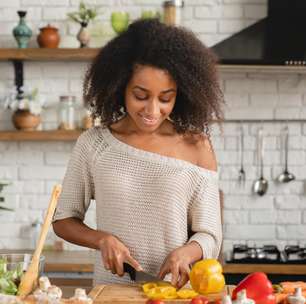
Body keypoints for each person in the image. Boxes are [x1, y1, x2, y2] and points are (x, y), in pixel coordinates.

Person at [52, 18, 224, 289]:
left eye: (165, 98)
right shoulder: (94, 144)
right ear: (120, 87)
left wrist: (186, 253)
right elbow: (63, 220)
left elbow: (210, 235)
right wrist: (101, 239)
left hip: (174, 293)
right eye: (141, 96)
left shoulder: (197, 146)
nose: (152, 111)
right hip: (112, 292)